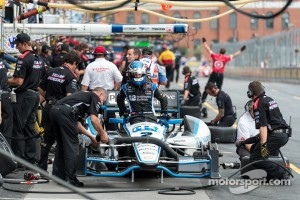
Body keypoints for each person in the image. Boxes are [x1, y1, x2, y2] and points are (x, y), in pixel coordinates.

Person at [50, 87, 109, 187]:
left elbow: (76, 124)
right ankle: (71, 179)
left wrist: (91, 137)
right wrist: (103, 134)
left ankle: (59, 176)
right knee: (72, 146)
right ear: (101, 94)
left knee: (61, 145)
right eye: (104, 100)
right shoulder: (95, 97)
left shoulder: (81, 97)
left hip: (55, 111)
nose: (102, 103)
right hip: (65, 113)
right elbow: (94, 119)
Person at [37, 51, 81, 172]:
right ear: (75, 63)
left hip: (48, 108)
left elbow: (40, 88)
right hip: (60, 111)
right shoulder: (70, 76)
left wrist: (48, 98)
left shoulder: (50, 71)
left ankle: (41, 170)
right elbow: (70, 96)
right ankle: (59, 172)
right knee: (62, 141)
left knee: (46, 140)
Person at [8, 32, 46, 168]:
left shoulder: (23, 58)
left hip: (24, 96)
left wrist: (5, 80)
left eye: (17, 45)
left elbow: (18, 81)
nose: (17, 48)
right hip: (34, 95)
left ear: (24, 44)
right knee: (30, 128)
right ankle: (31, 159)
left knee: (18, 127)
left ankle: (19, 160)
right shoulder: (39, 59)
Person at [247, 81, 290, 180]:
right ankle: (272, 175)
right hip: (284, 135)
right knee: (254, 149)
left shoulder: (258, 103)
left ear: (250, 93)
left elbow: (263, 127)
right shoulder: (270, 100)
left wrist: (263, 146)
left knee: (255, 158)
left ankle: (282, 173)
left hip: (276, 136)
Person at [81, 45, 123, 131]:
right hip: (109, 95)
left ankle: (96, 138)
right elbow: (120, 80)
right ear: (105, 54)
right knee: (111, 122)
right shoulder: (111, 65)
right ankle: (113, 139)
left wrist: (82, 99)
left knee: (93, 120)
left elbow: (85, 85)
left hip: (94, 96)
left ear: (94, 55)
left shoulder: (90, 66)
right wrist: (115, 91)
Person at [117, 60, 168, 125]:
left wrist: (164, 116)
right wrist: (124, 113)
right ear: (131, 74)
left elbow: (164, 98)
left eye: (140, 73)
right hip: (134, 118)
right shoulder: (125, 88)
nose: (138, 75)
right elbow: (119, 99)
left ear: (144, 73)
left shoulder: (152, 86)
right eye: (135, 73)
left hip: (151, 117)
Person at [201, 37, 246, 103]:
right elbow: (234, 55)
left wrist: (204, 42)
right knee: (219, 88)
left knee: (208, 85)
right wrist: (241, 50)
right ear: (224, 53)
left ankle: (203, 99)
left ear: (219, 52)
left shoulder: (215, 56)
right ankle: (219, 100)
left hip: (214, 73)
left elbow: (208, 49)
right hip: (220, 74)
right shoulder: (225, 58)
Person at [0, 57, 13, 146]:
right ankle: (7, 156)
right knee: (7, 128)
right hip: (6, 96)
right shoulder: (1, 61)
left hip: (1, 97)